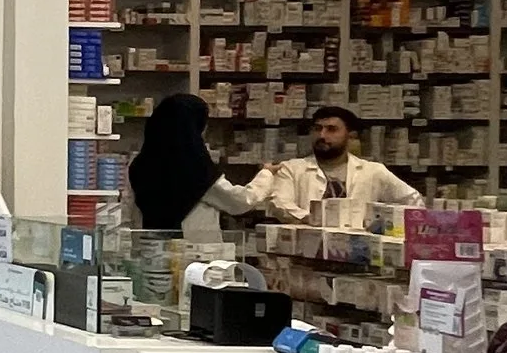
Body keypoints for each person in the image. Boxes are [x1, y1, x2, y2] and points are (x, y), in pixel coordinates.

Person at [111, 91, 287, 249]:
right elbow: (240, 201)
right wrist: (266, 174)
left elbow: (129, 212)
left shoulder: (139, 164)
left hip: (151, 254)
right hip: (195, 260)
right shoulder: (195, 167)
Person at [303, 101, 422, 227]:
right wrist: (314, 219)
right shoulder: (293, 168)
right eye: (317, 129)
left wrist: (389, 228)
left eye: (331, 129)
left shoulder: (373, 171)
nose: (322, 135)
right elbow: (282, 206)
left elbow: (413, 202)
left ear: (350, 136)